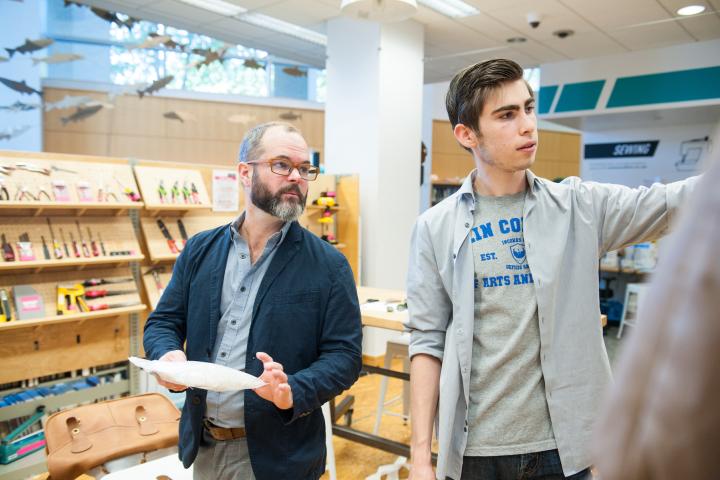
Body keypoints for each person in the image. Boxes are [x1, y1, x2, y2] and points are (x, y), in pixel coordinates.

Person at [405, 59, 698, 480]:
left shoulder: (580, 207)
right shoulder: (435, 227)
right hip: (473, 451)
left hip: (565, 450)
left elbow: (674, 201)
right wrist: (419, 459)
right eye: (507, 115)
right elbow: (427, 341)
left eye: (528, 108)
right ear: (466, 134)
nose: (528, 125)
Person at [143, 121, 363, 480]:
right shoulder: (200, 250)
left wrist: (293, 389)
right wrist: (167, 355)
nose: (296, 177)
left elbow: (345, 357)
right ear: (245, 172)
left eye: (305, 169)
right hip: (205, 445)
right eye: (282, 165)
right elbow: (164, 322)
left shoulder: (329, 265)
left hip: (282, 457)